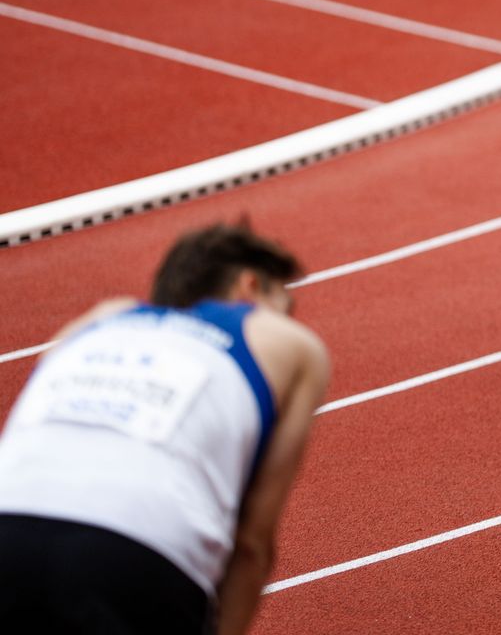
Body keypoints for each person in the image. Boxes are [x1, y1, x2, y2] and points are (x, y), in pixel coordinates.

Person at [0, 222, 330, 635]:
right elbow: (250, 544)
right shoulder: (282, 340)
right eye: (286, 302)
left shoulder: (102, 319)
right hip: (137, 553)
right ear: (249, 286)